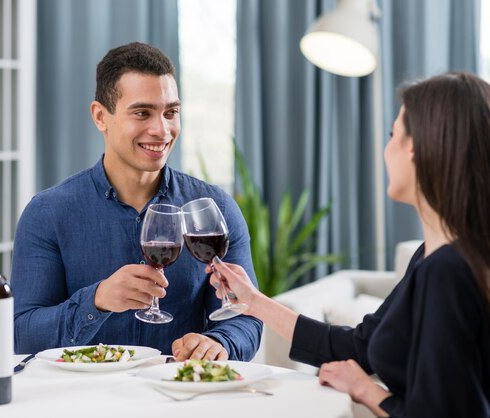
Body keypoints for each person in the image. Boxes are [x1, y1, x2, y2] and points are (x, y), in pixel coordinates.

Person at [208, 72, 490, 417]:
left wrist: (366, 390)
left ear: (416, 148)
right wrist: (252, 301)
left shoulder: (448, 269)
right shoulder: (433, 257)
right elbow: (360, 346)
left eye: (392, 136)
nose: (386, 150)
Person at [11, 42, 262, 361]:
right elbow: (21, 334)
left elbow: (245, 318)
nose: (162, 130)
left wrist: (219, 343)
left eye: (170, 112)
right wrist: (97, 301)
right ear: (101, 116)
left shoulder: (216, 209)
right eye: (142, 112)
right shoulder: (47, 213)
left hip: (180, 400)